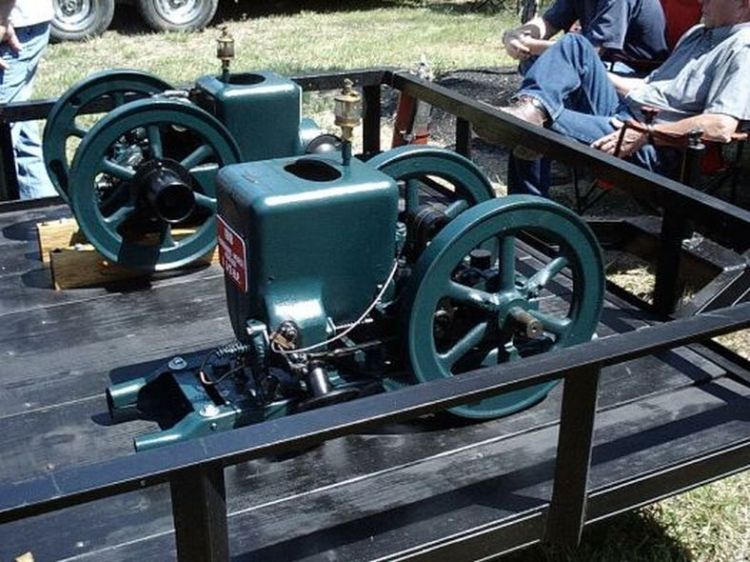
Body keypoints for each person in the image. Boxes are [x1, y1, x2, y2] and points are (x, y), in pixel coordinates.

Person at [480, 0, 750, 197]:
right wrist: (584, 67)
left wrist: (647, 134)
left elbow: (721, 126)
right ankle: (531, 106)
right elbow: (649, 87)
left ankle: (530, 216)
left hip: (654, 144)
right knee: (575, 45)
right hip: (625, 113)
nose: (702, 0)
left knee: (534, 127)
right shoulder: (697, 34)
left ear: (743, 5)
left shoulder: (743, 47)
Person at [502, 0, 669, 72]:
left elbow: (590, 51)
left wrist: (529, 46)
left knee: (550, 60)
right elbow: (549, 22)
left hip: (633, 72)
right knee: (533, 59)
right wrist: (515, 36)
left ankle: (545, 110)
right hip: (602, 62)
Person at [0, 0, 56, 199]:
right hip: (21, 23)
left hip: (12, 27)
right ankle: (44, 211)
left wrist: (1, 19)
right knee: (20, 133)